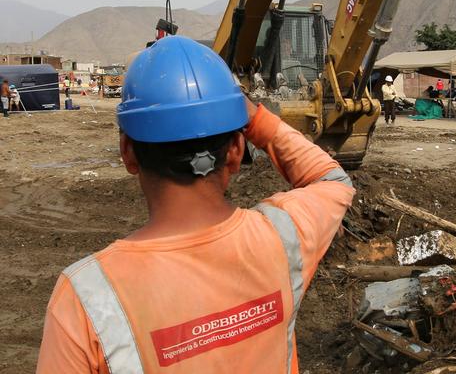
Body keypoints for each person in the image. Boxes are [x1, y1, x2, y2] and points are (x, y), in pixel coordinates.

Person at [36, 36, 355, 373]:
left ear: (128, 153)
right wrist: (254, 119)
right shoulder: (283, 238)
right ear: (236, 151)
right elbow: (332, 180)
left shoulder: (86, 298)